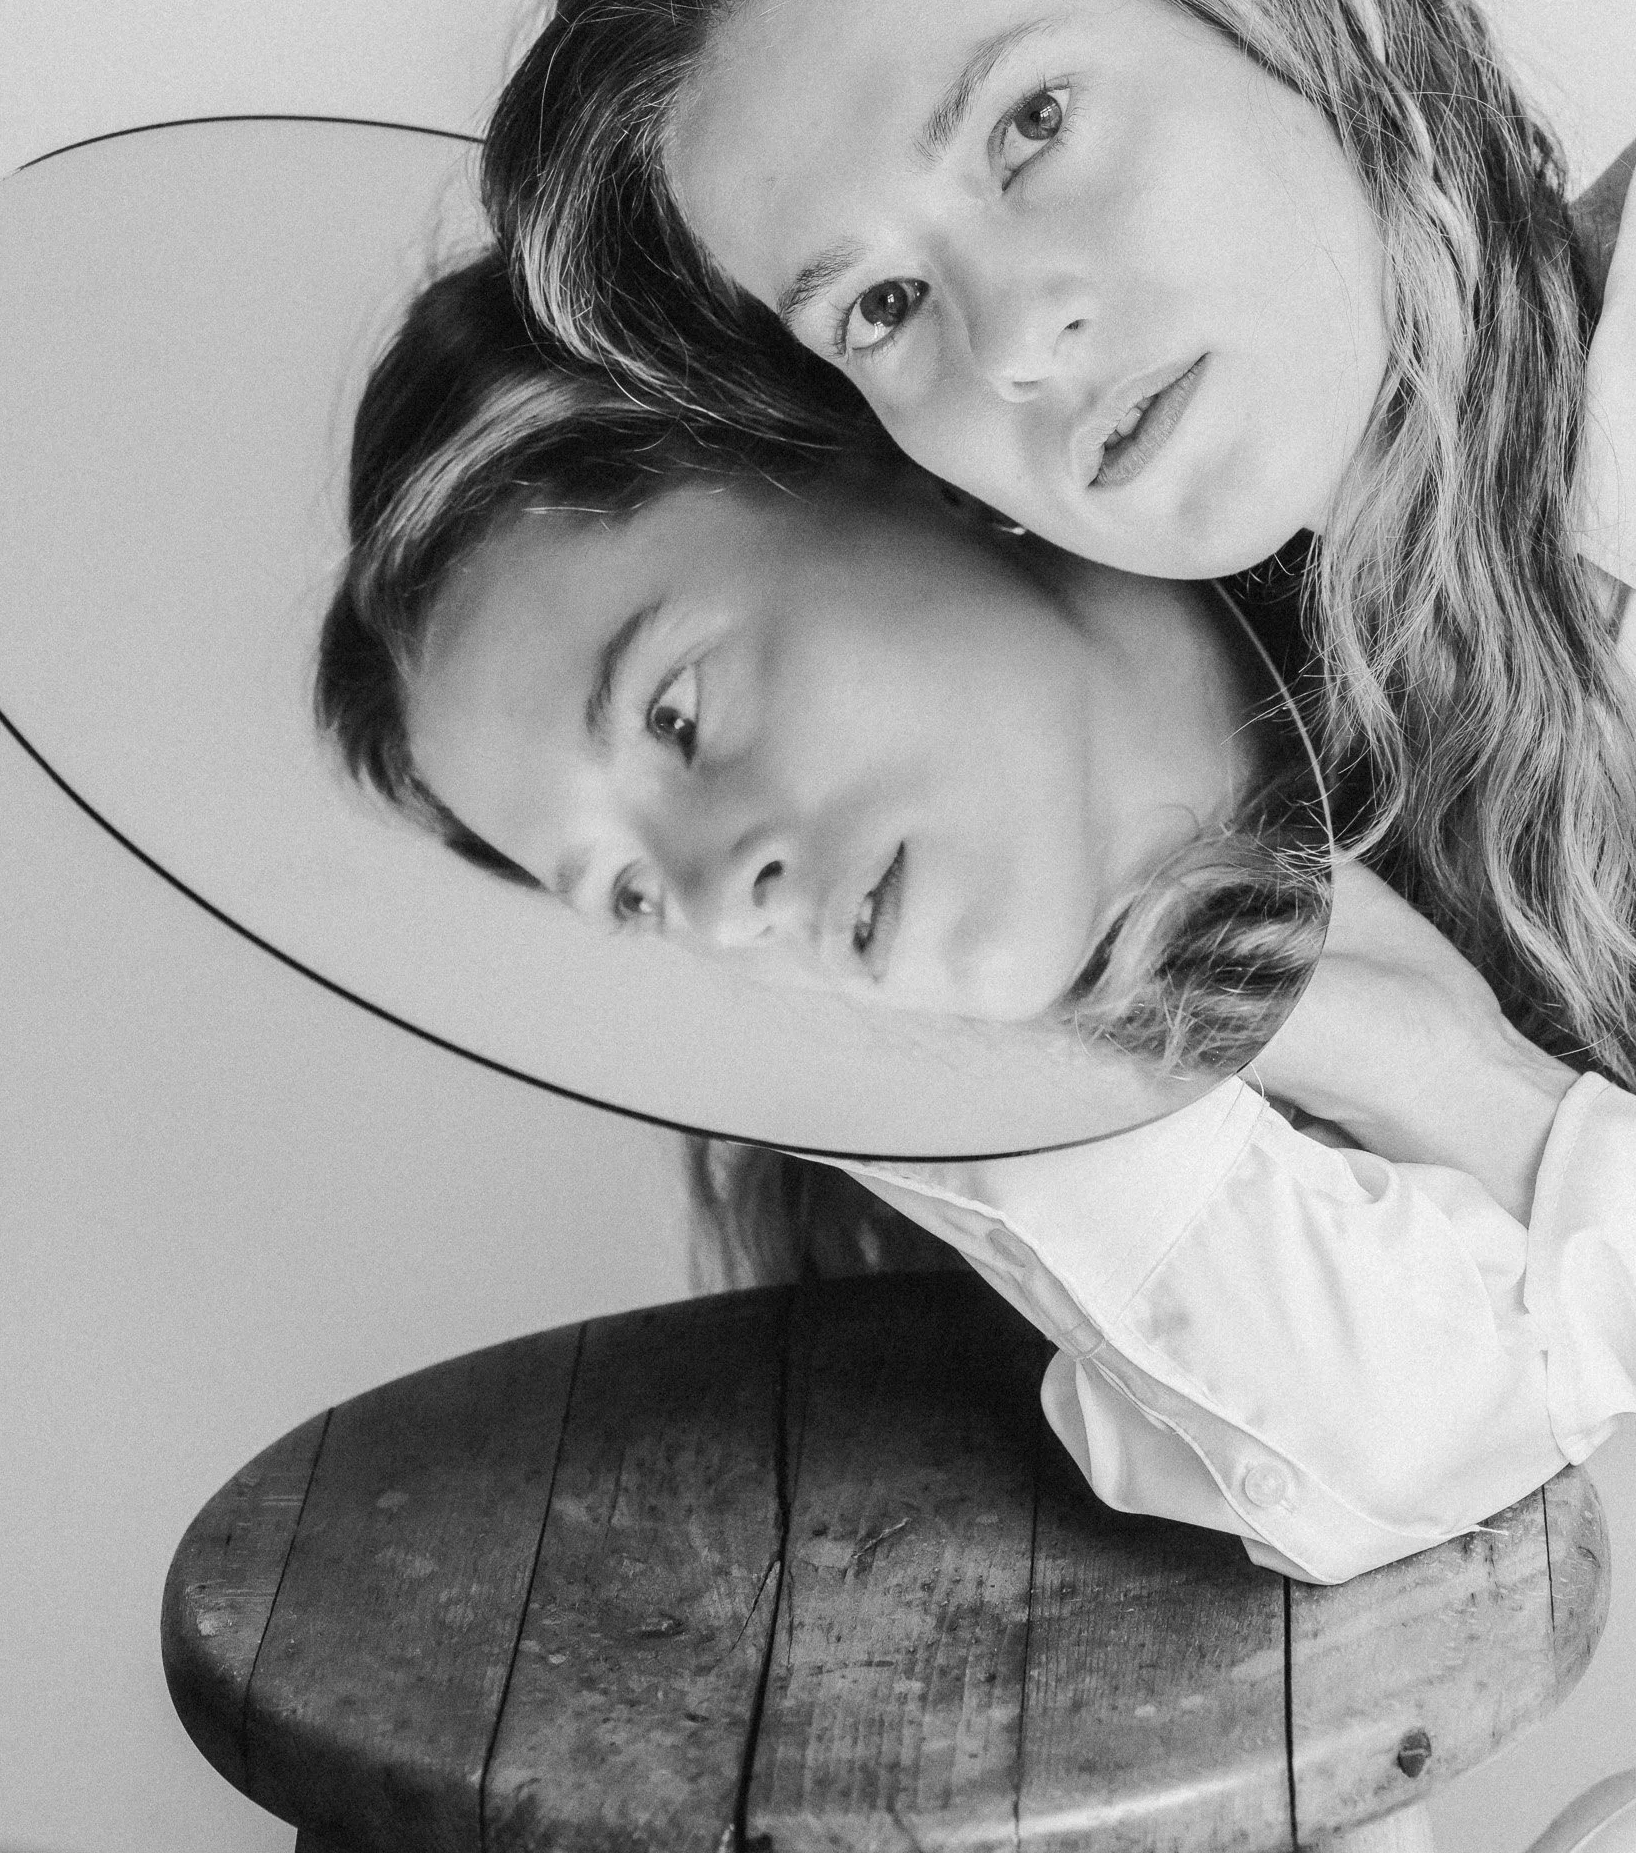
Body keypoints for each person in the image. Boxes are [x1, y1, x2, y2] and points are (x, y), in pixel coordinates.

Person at [476, 0, 1636, 1839]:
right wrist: (947, 947)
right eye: (878, 308)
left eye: (1031, 124)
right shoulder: (1408, 671)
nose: (1016, 340)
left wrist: (1507, 1118)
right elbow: (1367, 1455)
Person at [315, 247, 1334, 1272]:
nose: (721, 908)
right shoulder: (903, 1294)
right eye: (634, 896)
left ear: (901, 458)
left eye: (675, 716)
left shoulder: (1413, 509)